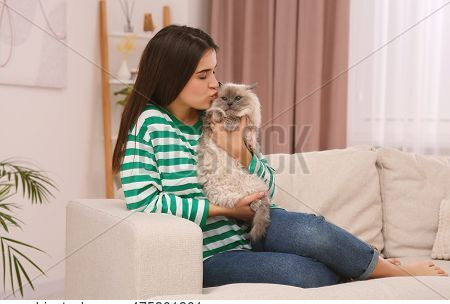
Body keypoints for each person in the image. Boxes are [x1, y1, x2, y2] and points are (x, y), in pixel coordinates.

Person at [112, 25, 448, 289]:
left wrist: (239, 151)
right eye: (203, 76)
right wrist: (226, 209)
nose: (215, 84)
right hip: (210, 254)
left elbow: (267, 182)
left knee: (311, 231)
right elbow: (144, 203)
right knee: (302, 274)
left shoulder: (216, 117)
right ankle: (374, 269)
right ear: (172, 77)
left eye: (215, 71)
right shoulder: (150, 125)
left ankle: (389, 269)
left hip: (255, 227)